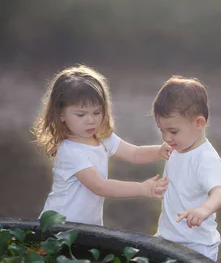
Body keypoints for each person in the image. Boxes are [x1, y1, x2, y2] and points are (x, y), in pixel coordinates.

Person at [32, 64, 170, 226]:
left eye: (97, 112)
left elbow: (135, 153)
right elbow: (100, 186)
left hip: (88, 227)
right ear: (61, 114)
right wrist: (142, 188)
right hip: (58, 226)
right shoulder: (71, 151)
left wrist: (159, 151)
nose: (91, 120)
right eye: (81, 114)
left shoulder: (103, 138)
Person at [152, 76, 221, 261]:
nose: (167, 138)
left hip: (197, 246)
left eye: (173, 131)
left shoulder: (206, 159)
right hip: (167, 237)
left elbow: (220, 192)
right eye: (162, 130)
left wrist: (203, 210)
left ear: (199, 123)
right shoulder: (177, 149)